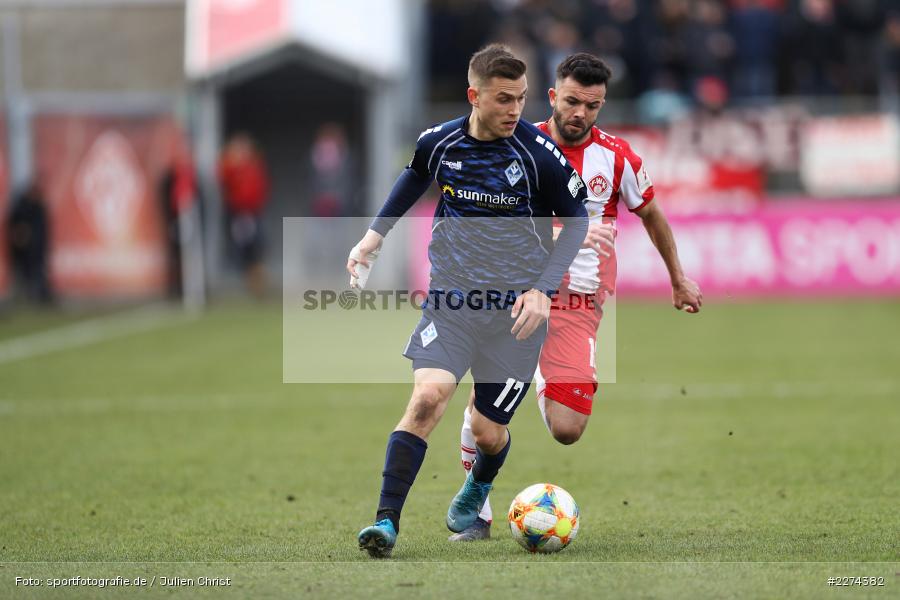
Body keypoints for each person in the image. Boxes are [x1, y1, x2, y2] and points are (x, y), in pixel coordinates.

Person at [348, 44, 589, 558]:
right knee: (428, 398)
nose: (515, 110)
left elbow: (578, 222)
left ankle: (479, 483)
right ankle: (385, 524)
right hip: (452, 302)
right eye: (503, 99)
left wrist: (543, 292)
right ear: (473, 95)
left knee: (486, 431)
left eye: (522, 99)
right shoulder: (440, 143)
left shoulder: (537, 155)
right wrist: (375, 236)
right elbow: (414, 175)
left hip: (516, 319)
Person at [449, 53, 703, 542]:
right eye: (572, 101)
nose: (580, 113)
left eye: (592, 105)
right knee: (484, 425)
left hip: (577, 304)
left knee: (567, 429)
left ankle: (542, 373)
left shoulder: (619, 157)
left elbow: (652, 215)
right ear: (552, 97)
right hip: (514, 294)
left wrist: (678, 277)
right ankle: (476, 504)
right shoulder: (518, 143)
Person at [217, 133, 270, 297]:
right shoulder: (230, 166)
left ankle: (258, 285)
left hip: (253, 213)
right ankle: (250, 285)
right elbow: (223, 181)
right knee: (243, 252)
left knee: (258, 249)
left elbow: (262, 186)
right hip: (237, 214)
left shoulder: (254, 165)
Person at [7, 180, 53, 304]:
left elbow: (43, 230)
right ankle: (26, 297)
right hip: (25, 250)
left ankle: (39, 296)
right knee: (24, 273)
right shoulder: (22, 207)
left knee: (38, 272)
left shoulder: (39, 207)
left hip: (37, 248)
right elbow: (15, 227)